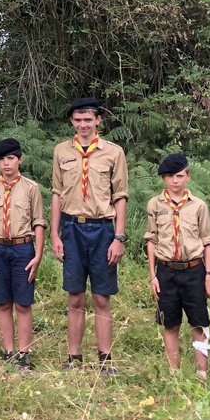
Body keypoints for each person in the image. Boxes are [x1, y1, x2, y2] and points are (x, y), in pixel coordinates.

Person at [50, 96, 128, 375]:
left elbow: (120, 197)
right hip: (71, 228)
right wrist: (54, 235)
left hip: (102, 230)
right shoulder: (61, 151)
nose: (83, 124)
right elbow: (57, 194)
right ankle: (74, 357)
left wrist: (118, 237)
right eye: (78, 119)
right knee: (75, 296)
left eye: (88, 119)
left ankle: (105, 360)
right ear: (72, 121)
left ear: (98, 121)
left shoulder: (113, 153)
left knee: (101, 297)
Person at [146, 153, 210, 381]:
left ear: (188, 176)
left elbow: (207, 240)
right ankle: (174, 371)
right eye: (169, 177)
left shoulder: (199, 206)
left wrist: (209, 274)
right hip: (166, 271)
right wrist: (153, 276)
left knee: (199, 321)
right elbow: (152, 240)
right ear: (163, 179)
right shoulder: (155, 205)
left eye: (179, 176)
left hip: (194, 269)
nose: (174, 181)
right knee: (170, 322)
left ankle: (202, 372)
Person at [0, 138, 46, 371]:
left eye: (10, 158)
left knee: (23, 303)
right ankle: (8, 350)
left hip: (22, 248)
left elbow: (38, 222)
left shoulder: (31, 188)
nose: (6, 164)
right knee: (3, 301)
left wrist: (37, 254)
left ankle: (24, 353)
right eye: (1, 160)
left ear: (19, 160)